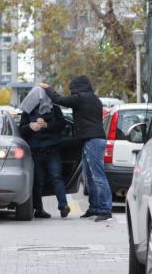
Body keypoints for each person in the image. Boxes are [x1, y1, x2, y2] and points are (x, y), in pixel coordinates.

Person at [40, 77, 113, 222]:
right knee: (89, 177)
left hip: (93, 140)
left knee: (98, 176)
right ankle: (94, 208)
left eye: (72, 89)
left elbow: (58, 99)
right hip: (91, 140)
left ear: (78, 88)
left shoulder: (81, 98)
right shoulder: (94, 99)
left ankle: (105, 210)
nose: (71, 92)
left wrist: (47, 88)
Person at [19, 87, 71, 219]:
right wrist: (30, 126)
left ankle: (63, 206)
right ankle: (39, 209)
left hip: (52, 149)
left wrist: (46, 125)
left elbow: (61, 125)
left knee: (57, 177)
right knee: (38, 181)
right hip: (35, 151)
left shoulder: (54, 109)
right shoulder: (28, 111)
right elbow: (22, 129)